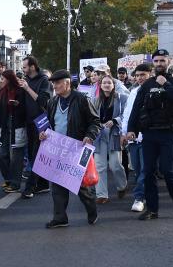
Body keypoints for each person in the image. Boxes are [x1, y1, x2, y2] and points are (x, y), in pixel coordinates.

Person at [126, 49, 173, 219]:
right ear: (153, 63)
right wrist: (132, 129)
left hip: (168, 134)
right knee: (149, 171)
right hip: (149, 134)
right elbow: (136, 108)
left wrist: (165, 84)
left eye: (162, 60)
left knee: (168, 171)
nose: (159, 63)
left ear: (168, 62)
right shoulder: (146, 84)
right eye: (157, 61)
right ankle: (152, 209)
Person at [42, 70, 100, 228]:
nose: (54, 86)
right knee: (58, 184)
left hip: (78, 147)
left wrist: (90, 136)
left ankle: (91, 208)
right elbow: (48, 124)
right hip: (59, 148)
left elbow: (95, 121)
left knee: (82, 186)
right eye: (53, 83)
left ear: (67, 83)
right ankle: (60, 217)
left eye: (57, 83)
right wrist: (44, 134)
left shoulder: (81, 99)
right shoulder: (52, 102)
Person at [18, 56, 52, 199]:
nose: (23, 70)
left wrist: (27, 88)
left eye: (25, 67)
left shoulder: (44, 80)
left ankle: (29, 187)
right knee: (33, 155)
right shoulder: (27, 80)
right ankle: (43, 184)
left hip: (41, 122)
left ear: (32, 67)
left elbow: (43, 101)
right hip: (29, 122)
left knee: (37, 154)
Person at [91, 75, 127, 203]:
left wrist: (115, 121)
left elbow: (126, 115)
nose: (106, 85)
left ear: (113, 85)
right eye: (104, 83)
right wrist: (96, 124)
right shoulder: (95, 100)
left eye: (109, 83)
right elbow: (90, 117)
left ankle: (122, 185)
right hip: (99, 134)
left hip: (115, 134)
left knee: (115, 165)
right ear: (100, 85)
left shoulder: (122, 98)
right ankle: (102, 195)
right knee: (100, 165)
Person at [121, 63, 151, 212]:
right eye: (137, 75)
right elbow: (127, 114)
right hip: (133, 137)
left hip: (148, 137)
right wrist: (124, 132)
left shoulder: (154, 90)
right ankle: (144, 194)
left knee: (145, 169)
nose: (139, 78)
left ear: (149, 74)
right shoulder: (133, 92)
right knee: (138, 170)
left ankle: (139, 198)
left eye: (143, 75)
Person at [0, 69, 28, 193]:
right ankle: (8, 179)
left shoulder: (20, 91)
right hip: (4, 126)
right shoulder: (1, 92)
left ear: (9, 79)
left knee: (17, 156)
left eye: (3, 78)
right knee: (0, 154)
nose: (0, 80)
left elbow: (25, 107)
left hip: (17, 125)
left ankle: (15, 183)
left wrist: (17, 105)